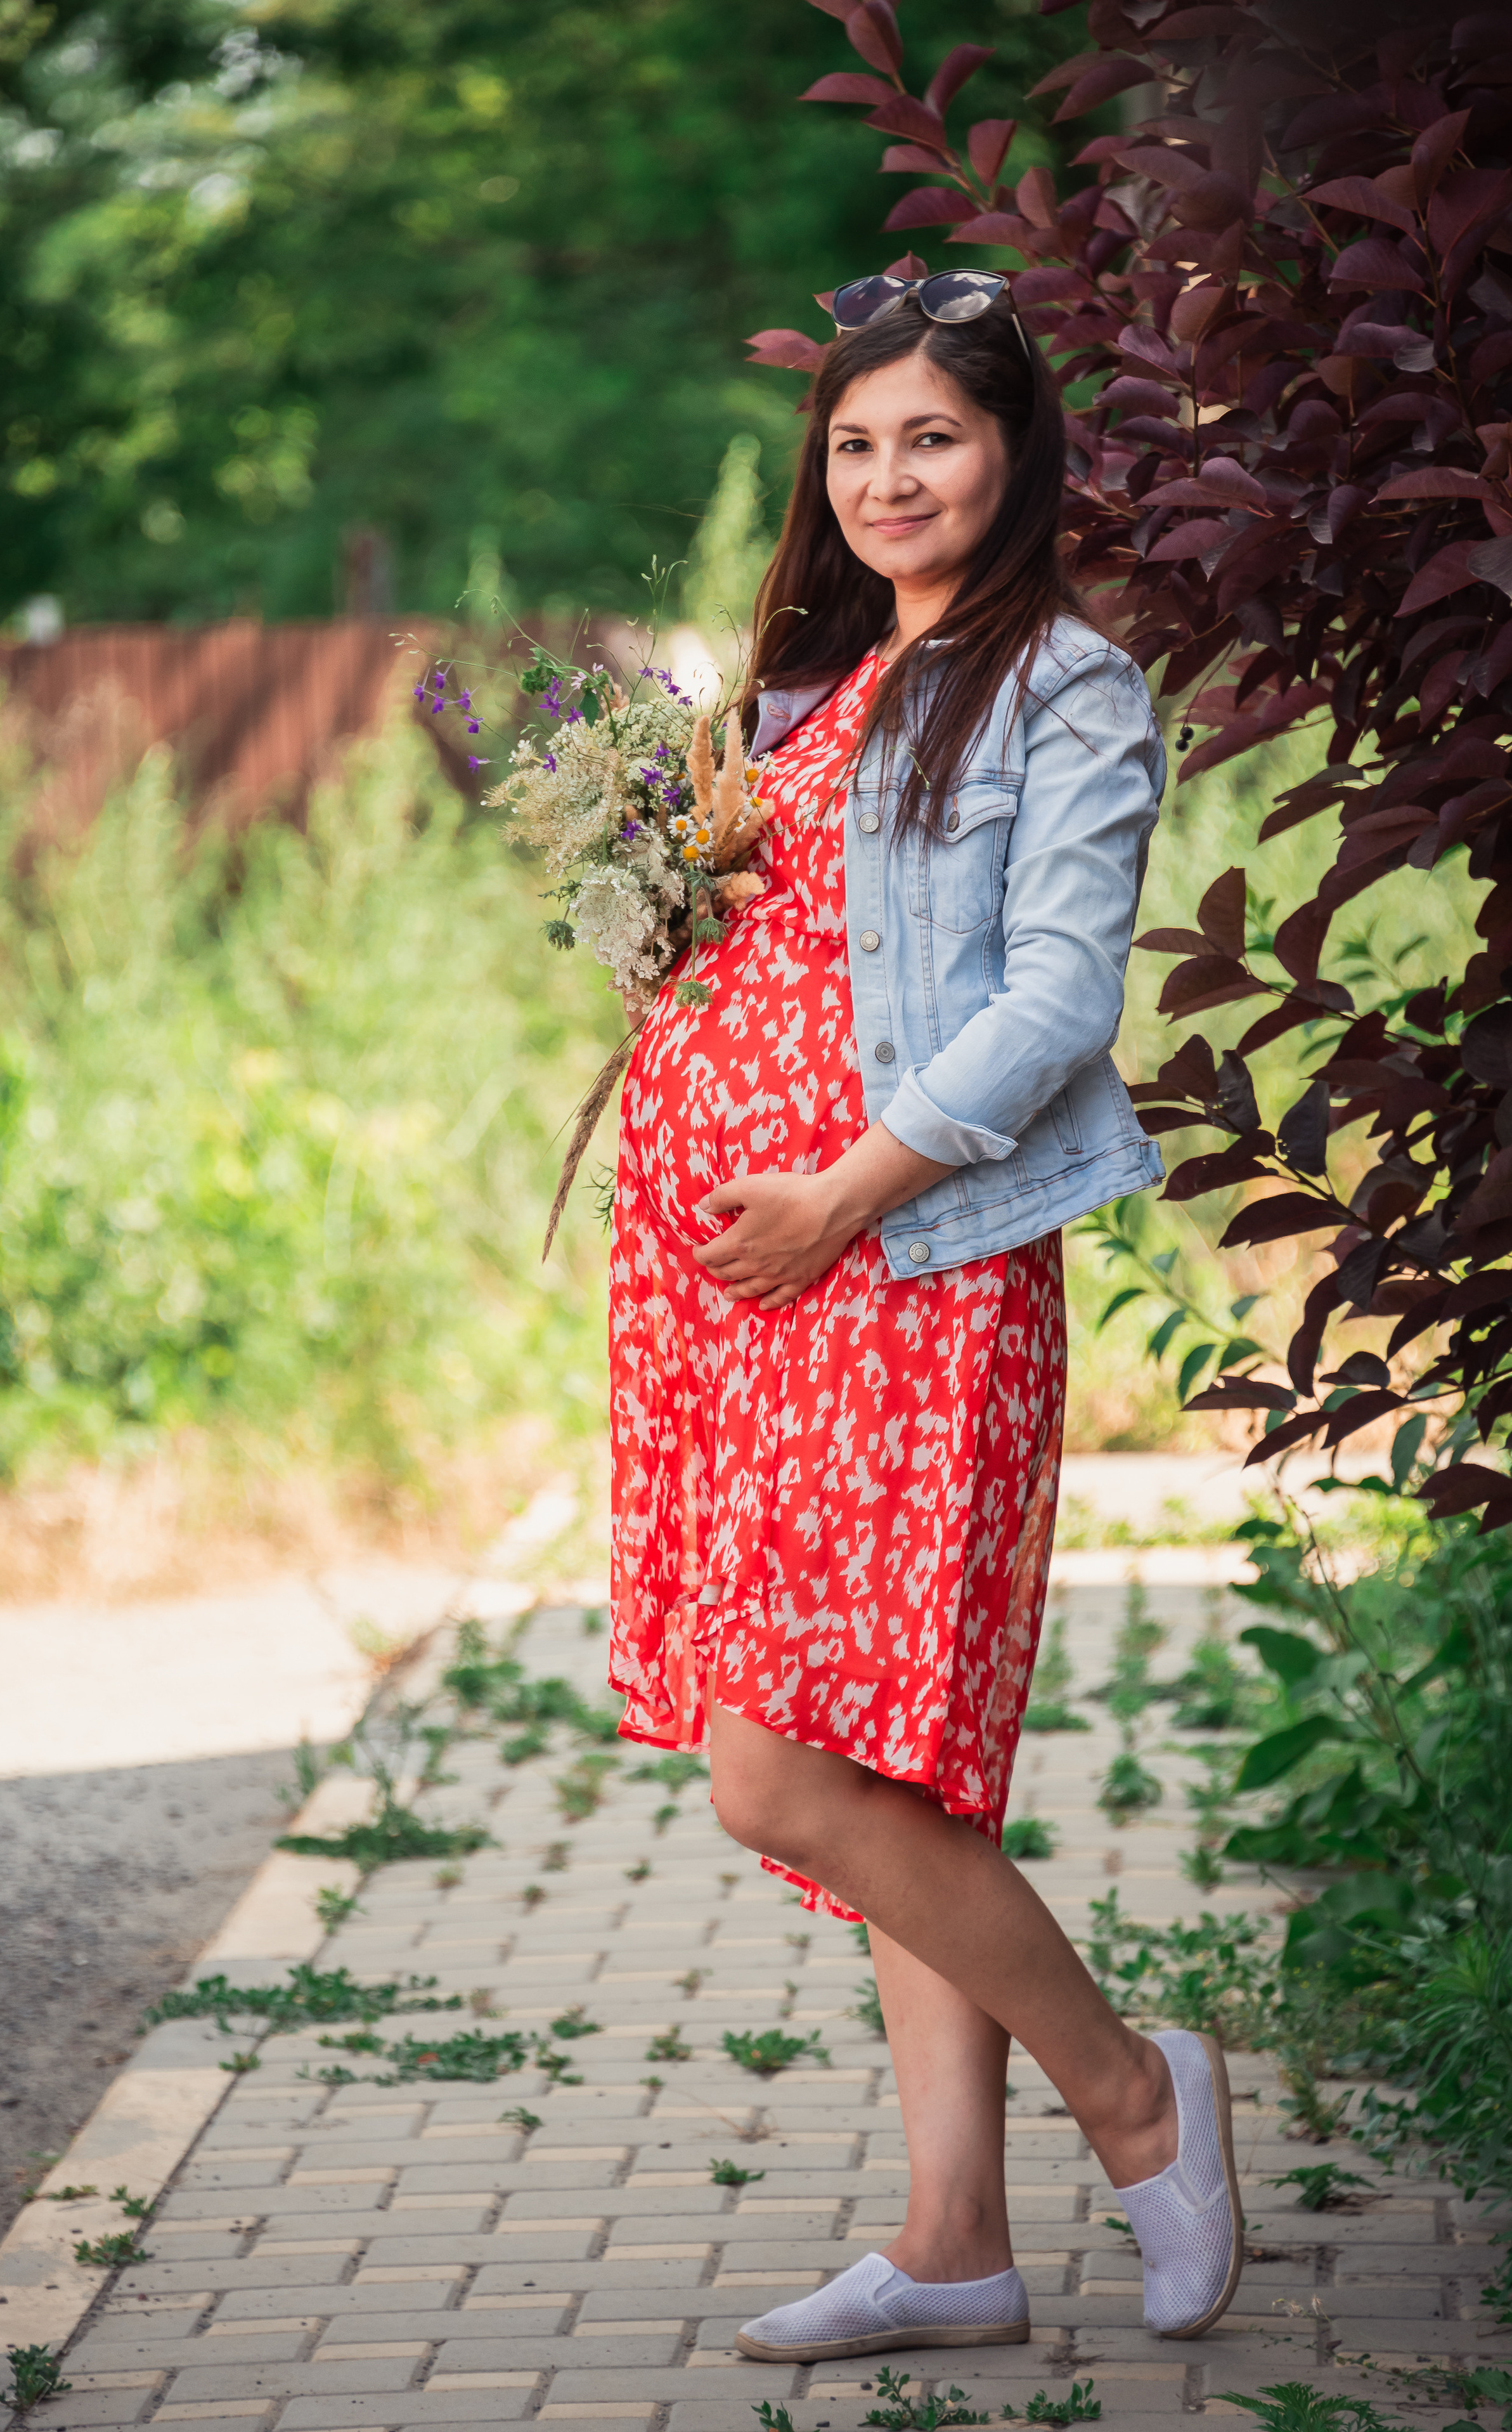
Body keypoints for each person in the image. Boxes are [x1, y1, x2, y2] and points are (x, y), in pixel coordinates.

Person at [604, 268, 1243, 2364]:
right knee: (902, 1767)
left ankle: (1136, 2094)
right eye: (857, 442)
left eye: (934, 438)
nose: (888, 477)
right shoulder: (798, 696)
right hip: (757, 1297)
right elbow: (762, 950)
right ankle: (954, 2239)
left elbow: (1060, 998)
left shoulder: (1062, 688)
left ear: (1014, 453)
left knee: (782, 1771)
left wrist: (848, 1190)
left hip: (917, 1273)